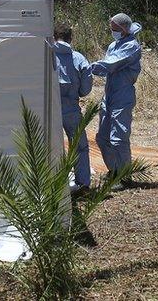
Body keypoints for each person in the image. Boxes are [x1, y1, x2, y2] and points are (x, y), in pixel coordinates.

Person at [91, 13, 142, 183]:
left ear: (124, 29)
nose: (112, 32)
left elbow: (110, 64)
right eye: (111, 28)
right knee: (103, 137)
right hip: (109, 94)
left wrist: (86, 68)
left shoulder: (132, 46)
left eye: (115, 29)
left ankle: (124, 176)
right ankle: (114, 171)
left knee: (119, 137)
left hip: (123, 95)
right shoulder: (114, 45)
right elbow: (107, 68)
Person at [53, 24, 94, 192]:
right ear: (71, 38)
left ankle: (55, 186)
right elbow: (85, 89)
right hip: (71, 109)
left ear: (54, 37)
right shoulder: (78, 58)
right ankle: (83, 183)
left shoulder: (45, 55)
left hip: (50, 109)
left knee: (51, 147)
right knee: (79, 145)